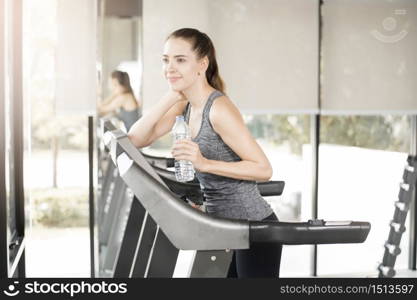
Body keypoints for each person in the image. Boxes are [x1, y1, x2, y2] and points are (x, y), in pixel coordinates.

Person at [127, 28, 282, 278]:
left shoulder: (218, 109)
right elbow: (136, 138)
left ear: (202, 64)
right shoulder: (185, 105)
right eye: (165, 60)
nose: (170, 67)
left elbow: (263, 169)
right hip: (225, 228)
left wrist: (204, 163)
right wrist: (170, 95)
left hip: (254, 229)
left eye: (180, 60)